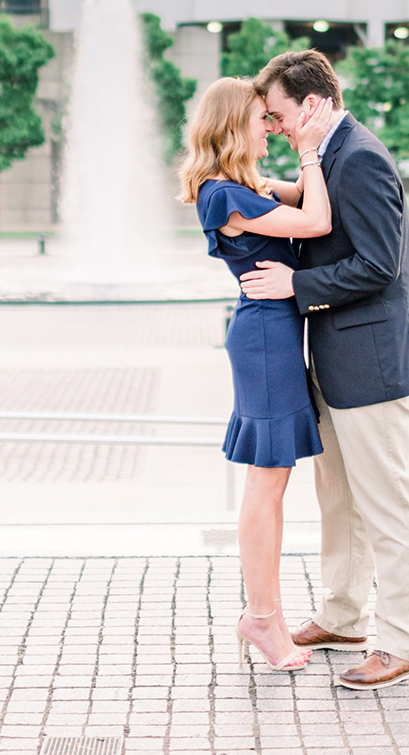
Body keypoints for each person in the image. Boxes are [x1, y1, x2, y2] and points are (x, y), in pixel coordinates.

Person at [241, 48, 409, 691]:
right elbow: (333, 222)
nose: (271, 127)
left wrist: (297, 284)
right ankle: (344, 616)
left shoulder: (362, 157)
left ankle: (403, 642)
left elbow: (379, 265)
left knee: (388, 504)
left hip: (371, 361)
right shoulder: (332, 153)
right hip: (335, 356)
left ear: (314, 105)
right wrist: (281, 191)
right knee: (340, 499)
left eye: (277, 115)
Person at [176, 76, 336, 673]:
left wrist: (302, 163)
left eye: (274, 119)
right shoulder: (224, 196)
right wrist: (310, 149)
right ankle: (262, 620)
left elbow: (301, 197)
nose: (270, 128)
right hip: (265, 341)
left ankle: (263, 615)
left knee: (273, 484)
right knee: (267, 487)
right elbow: (316, 220)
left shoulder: (241, 186)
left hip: (272, 336)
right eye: (260, 119)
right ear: (232, 125)